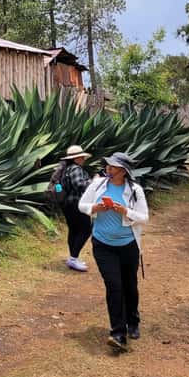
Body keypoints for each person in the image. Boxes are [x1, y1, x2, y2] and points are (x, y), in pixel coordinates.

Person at [78, 152, 149, 352]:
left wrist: (125, 212)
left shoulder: (135, 190)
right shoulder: (98, 185)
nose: (108, 169)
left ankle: (133, 321)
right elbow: (82, 205)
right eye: (107, 166)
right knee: (114, 285)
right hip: (103, 244)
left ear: (124, 171)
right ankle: (118, 332)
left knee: (129, 285)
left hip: (128, 245)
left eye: (113, 167)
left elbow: (144, 217)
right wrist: (96, 208)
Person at [54, 145, 94, 272]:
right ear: (75, 158)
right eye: (81, 157)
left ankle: (73, 258)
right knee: (86, 229)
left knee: (74, 230)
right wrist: (93, 182)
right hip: (77, 204)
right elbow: (80, 185)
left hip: (67, 204)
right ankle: (73, 258)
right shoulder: (75, 169)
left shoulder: (66, 169)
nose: (83, 159)